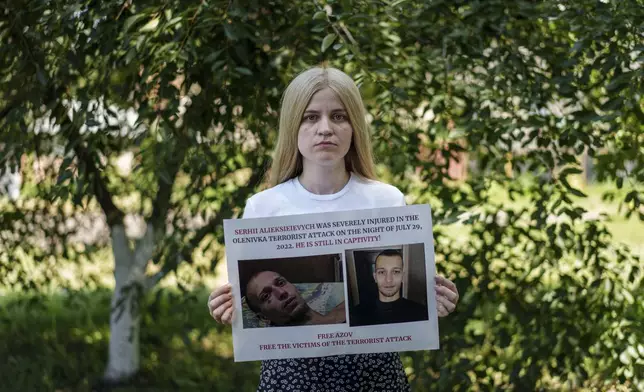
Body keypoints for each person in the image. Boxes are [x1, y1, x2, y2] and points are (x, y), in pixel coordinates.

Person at [207, 66, 460, 391]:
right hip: (289, 380)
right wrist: (226, 307)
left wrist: (436, 301)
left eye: (338, 116)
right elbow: (248, 303)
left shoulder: (387, 199)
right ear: (292, 127)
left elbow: (403, 301)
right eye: (310, 117)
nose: (325, 128)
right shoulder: (262, 207)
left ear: (354, 126)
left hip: (375, 377)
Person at [350, 249, 428, 326]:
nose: (388, 280)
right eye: (382, 272)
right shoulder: (356, 315)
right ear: (375, 277)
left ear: (402, 276)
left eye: (395, 272)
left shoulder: (421, 313)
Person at [244, 270, 346, 326]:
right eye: (266, 296)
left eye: (281, 283)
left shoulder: (347, 307)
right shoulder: (281, 359)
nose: (282, 293)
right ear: (263, 317)